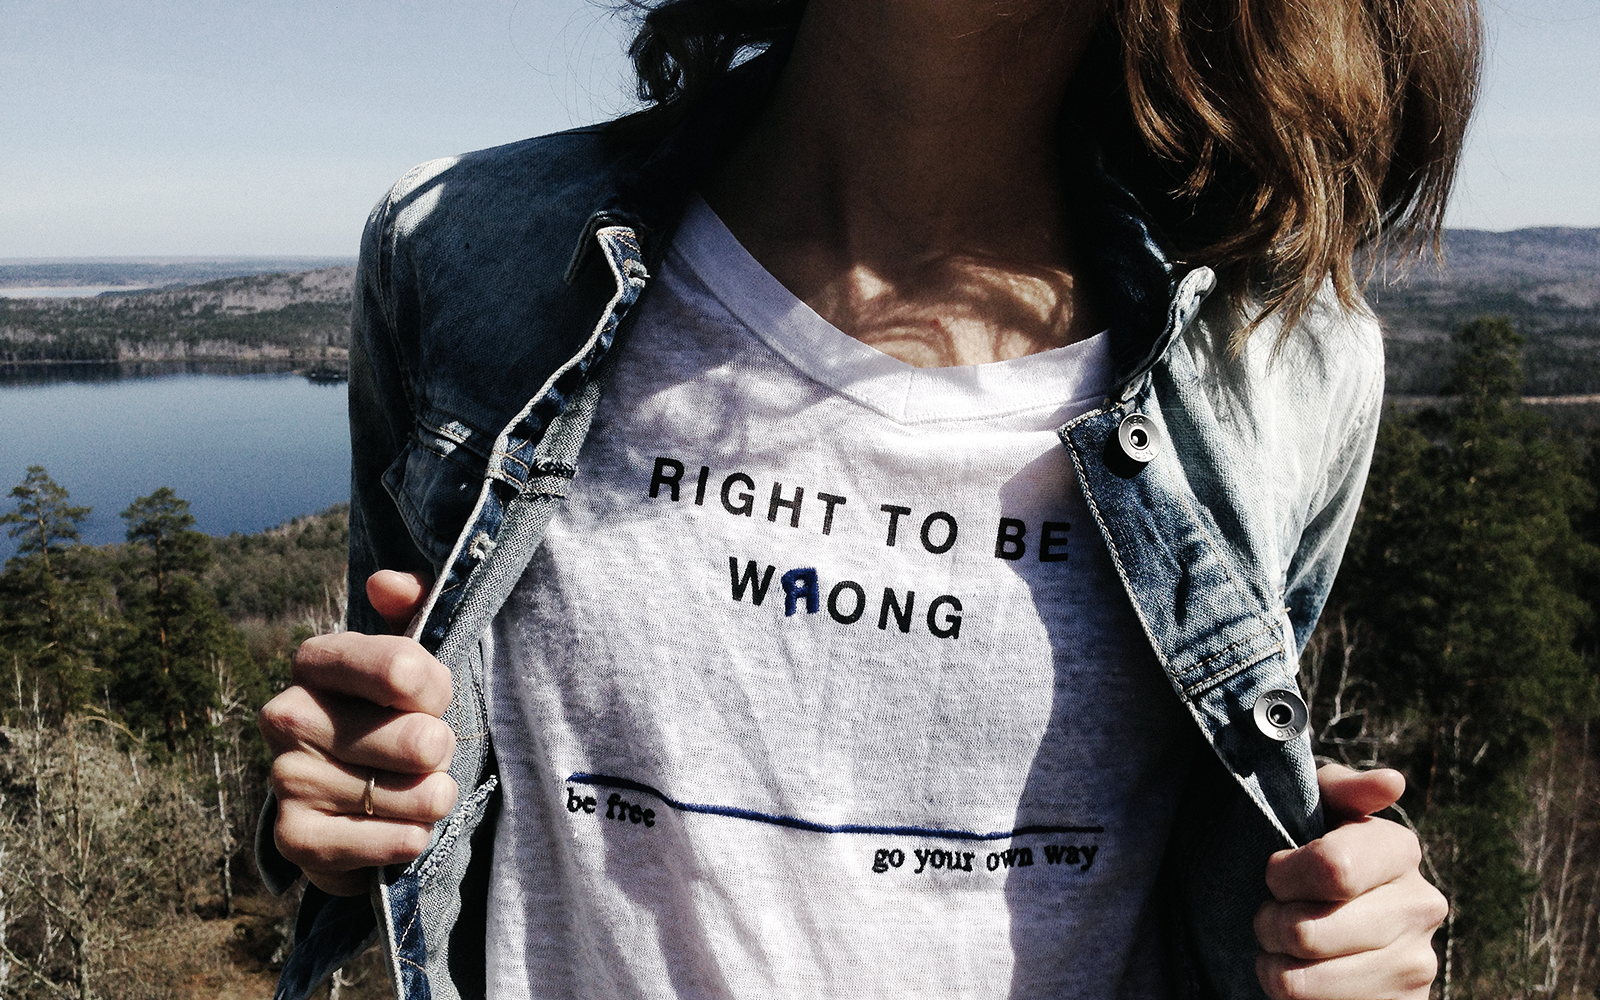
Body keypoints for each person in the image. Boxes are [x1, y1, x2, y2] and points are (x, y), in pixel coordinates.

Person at [257, 0, 1477, 997]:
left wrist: (1337, 932)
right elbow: (383, 768)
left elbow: (1226, 852)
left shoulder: (1280, 360)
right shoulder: (470, 248)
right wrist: (341, 803)